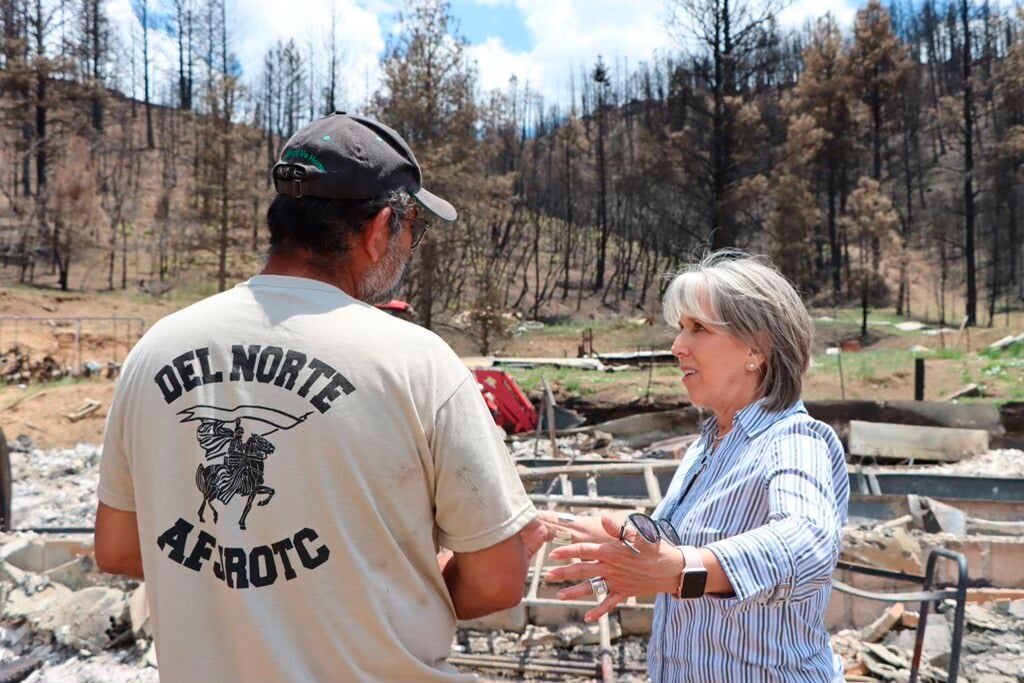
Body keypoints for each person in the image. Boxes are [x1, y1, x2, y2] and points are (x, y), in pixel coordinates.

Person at [95, 112, 545, 682]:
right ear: (379, 227)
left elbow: (116, 548)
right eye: (414, 230)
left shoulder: (154, 350)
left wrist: (246, 589)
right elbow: (497, 580)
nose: (409, 246)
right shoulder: (417, 361)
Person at [542, 251, 849, 682]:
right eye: (680, 329)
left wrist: (681, 569)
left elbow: (809, 541)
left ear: (757, 348)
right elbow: (688, 544)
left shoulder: (794, 440)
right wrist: (625, 548)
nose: (677, 347)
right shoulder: (711, 444)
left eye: (698, 329)